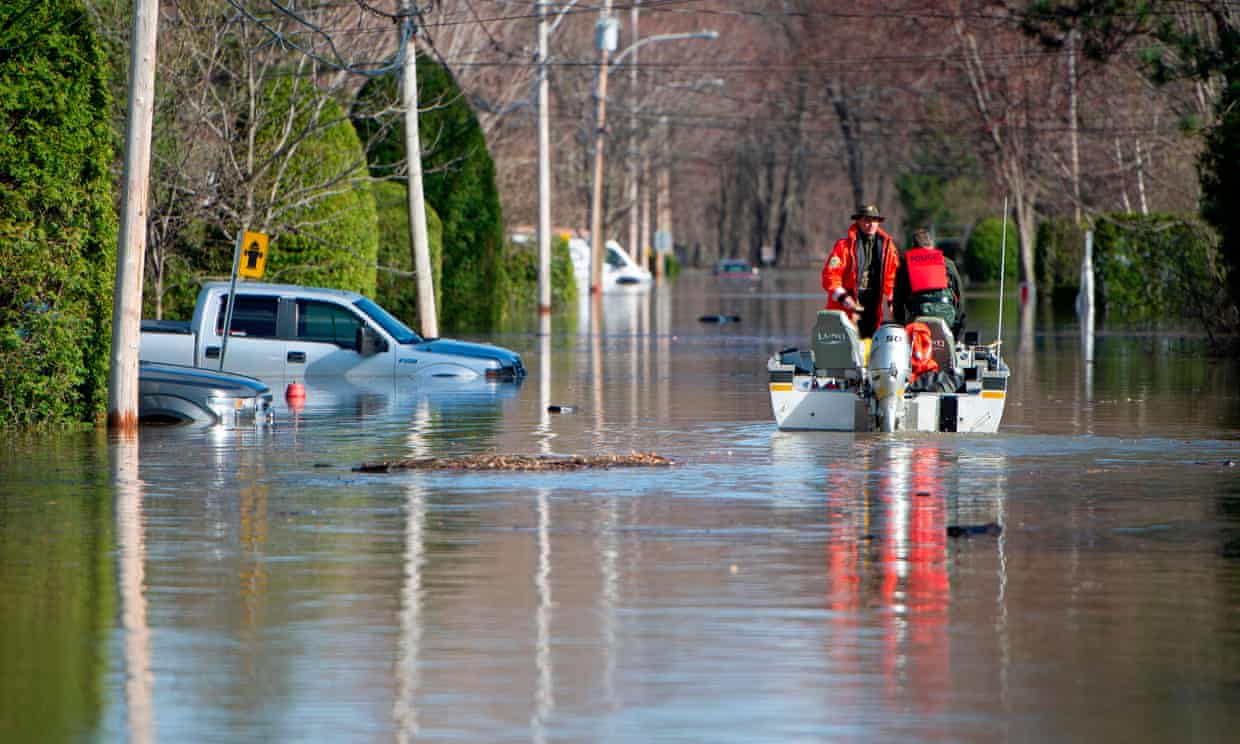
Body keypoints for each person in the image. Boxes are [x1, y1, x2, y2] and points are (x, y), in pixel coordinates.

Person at [821, 204, 900, 339]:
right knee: (848, 349)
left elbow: (892, 278)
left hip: (872, 307)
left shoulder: (888, 248)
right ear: (858, 221)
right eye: (867, 220)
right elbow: (830, 276)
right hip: (845, 310)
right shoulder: (843, 247)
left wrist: (893, 300)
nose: (871, 224)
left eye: (874, 220)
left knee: (870, 344)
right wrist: (844, 298)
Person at [893, 228, 965, 337]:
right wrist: (958, 329)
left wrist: (901, 327)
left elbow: (897, 303)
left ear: (913, 246)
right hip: (946, 319)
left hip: (918, 318)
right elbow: (960, 297)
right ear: (932, 245)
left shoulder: (905, 266)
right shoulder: (948, 264)